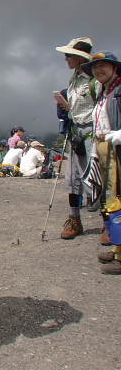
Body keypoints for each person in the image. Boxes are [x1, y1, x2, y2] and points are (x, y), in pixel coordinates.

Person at [81, 52, 121, 274]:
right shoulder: (106, 91)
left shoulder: (119, 91)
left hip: (117, 148)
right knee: (110, 197)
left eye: (104, 65)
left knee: (118, 198)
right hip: (104, 148)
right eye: (95, 68)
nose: (99, 71)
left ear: (115, 67)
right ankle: (117, 248)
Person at [56, 38, 98, 239]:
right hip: (76, 132)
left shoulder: (94, 80)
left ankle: (109, 222)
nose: (65, 59)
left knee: (97, 176)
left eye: (68, 55)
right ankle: (74, 219)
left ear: (80, 57)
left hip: (93, 132)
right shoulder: (74, 79)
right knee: (72, 178)